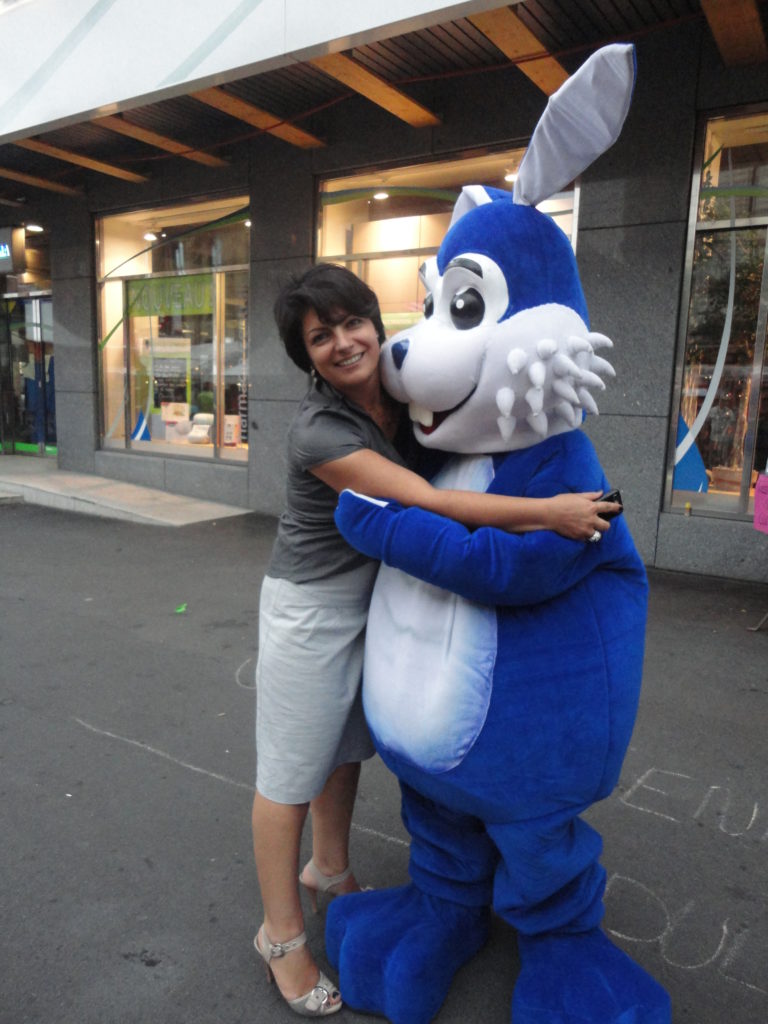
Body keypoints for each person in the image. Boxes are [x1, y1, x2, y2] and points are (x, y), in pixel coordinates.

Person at [251, 263, 620, 1017]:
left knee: (344, 750)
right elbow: (424, 500)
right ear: (305, 357)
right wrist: (546, 511)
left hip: (381, 597)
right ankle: (279, 937)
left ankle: (329, 868)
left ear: (373, 322)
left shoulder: (398, 393)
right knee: (289, 772)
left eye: (352, 322)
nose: (344, 343)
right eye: (321, 337)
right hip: (313, 608)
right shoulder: (320, 430)